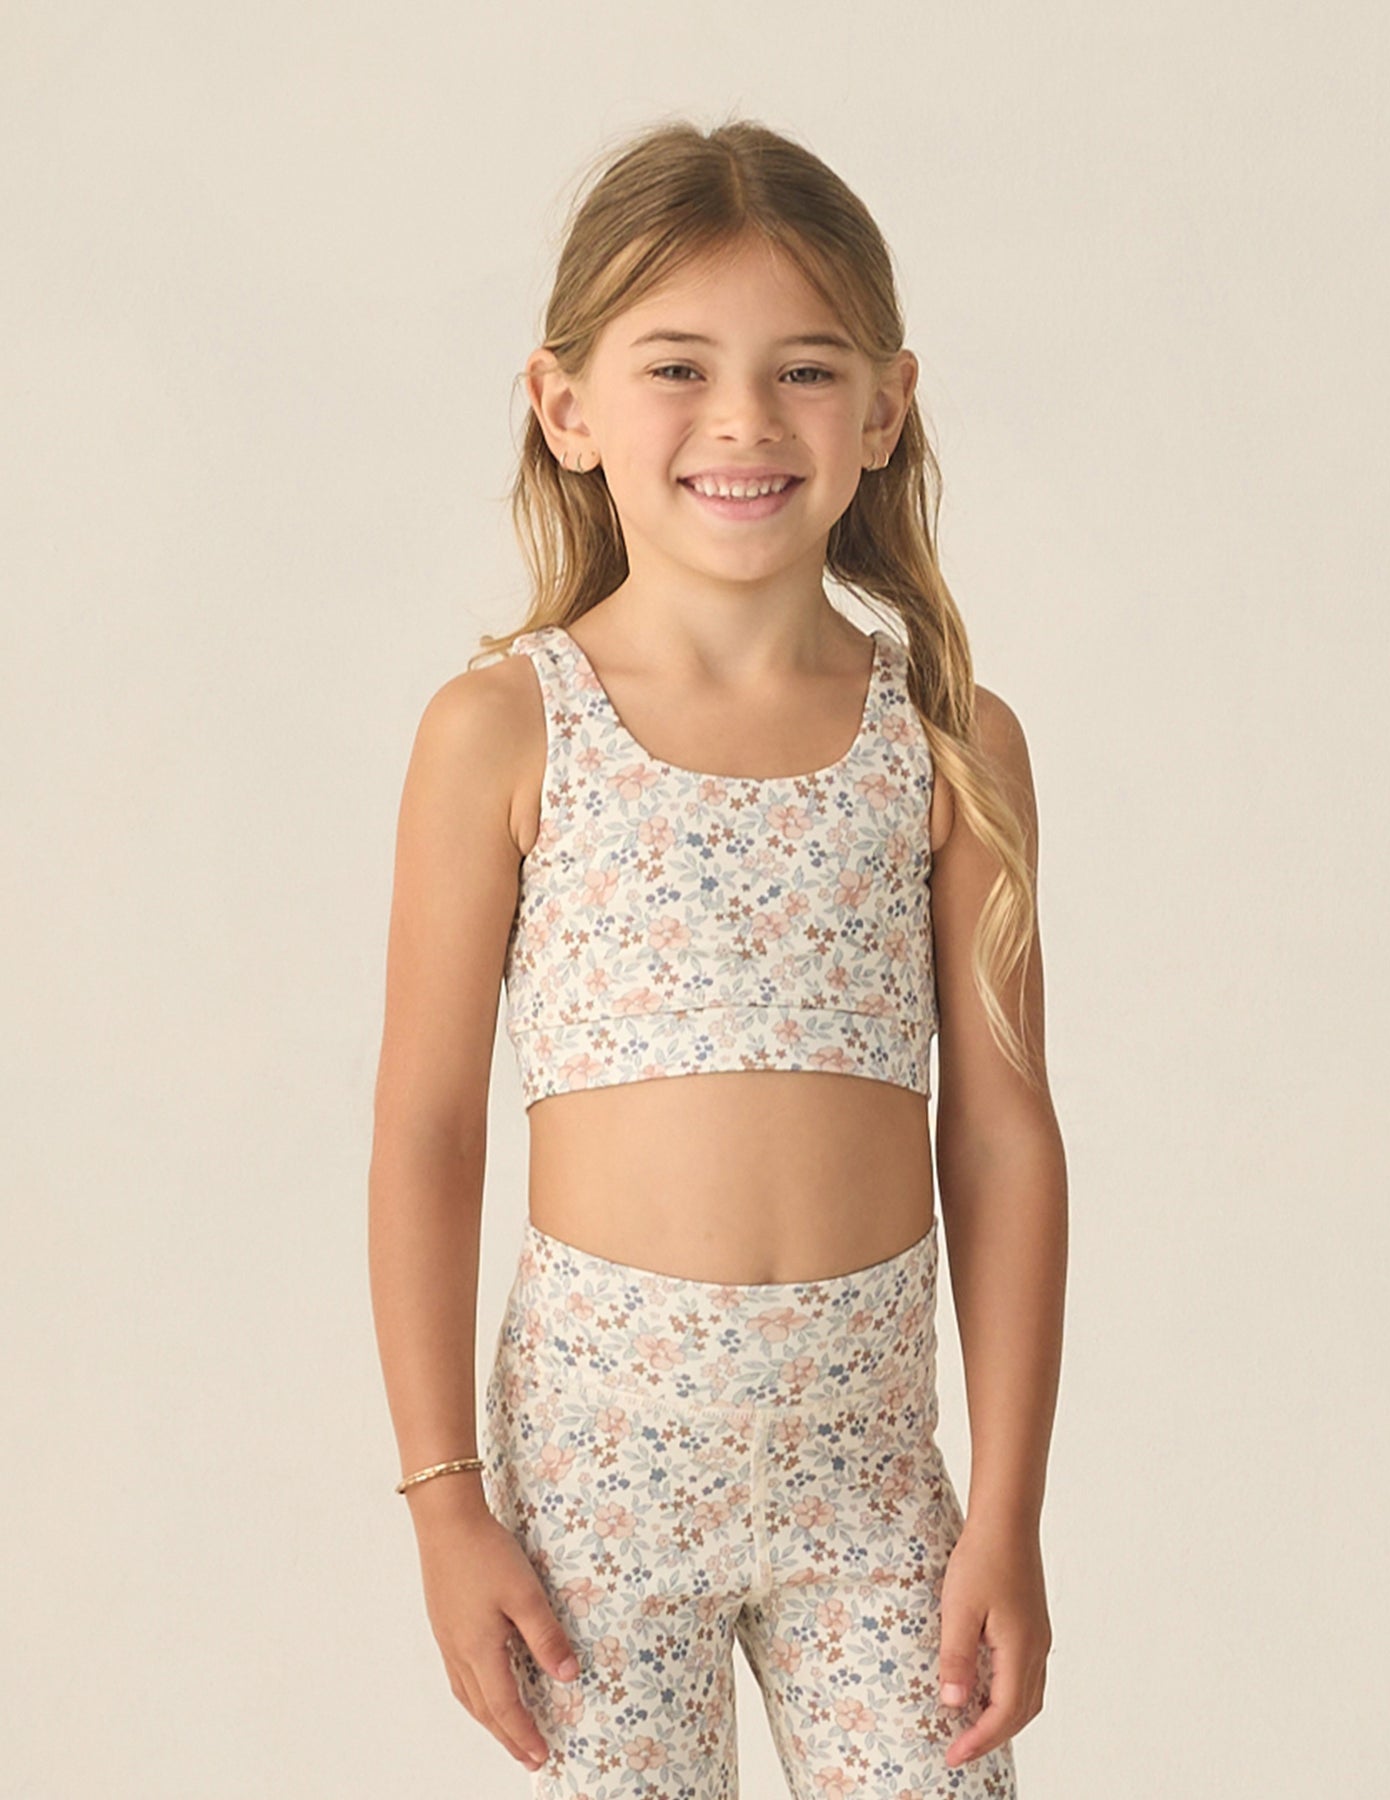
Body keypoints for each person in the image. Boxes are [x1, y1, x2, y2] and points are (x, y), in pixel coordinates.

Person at [370, 116, 1065, 1799]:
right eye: (679, 366)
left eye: (805, 370)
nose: (745, 419)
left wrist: (1010, 1512)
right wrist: (446, 1502)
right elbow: (428, 1132)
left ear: (884, 408)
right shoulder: (503, 730)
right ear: (568, 406)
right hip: (598, 1489)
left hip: (873, 1490)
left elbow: (1000, 1135)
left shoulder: (949, 740)